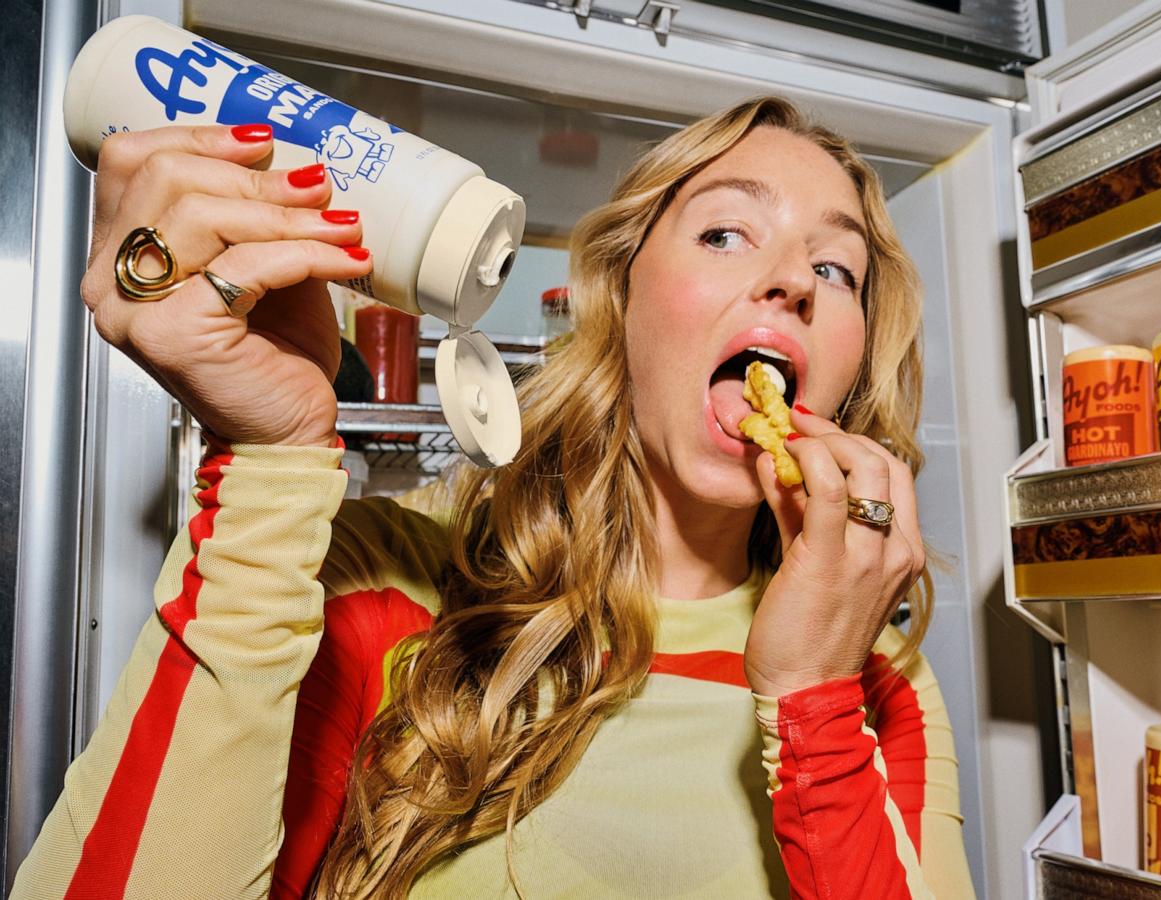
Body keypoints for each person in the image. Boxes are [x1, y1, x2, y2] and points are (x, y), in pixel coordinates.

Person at [16, 96, 974, 899]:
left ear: (850, 365)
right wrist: (270, 460)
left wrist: (813, 701)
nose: (792, 283)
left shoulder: (875, 682)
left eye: (835, 269)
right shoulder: (386, 581)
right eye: (726, 232)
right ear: (621, 299)